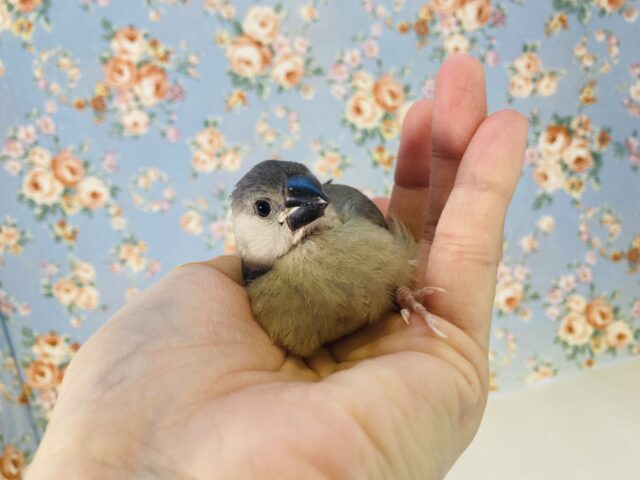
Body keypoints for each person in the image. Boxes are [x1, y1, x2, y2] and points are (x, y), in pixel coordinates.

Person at [26, 54, 528, 479]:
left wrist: (405, 291)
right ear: (245, 229)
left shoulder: (348, 214)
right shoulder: (259, 295)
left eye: (304, 190)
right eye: (266, 210)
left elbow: (396, 255)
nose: (300, 206)